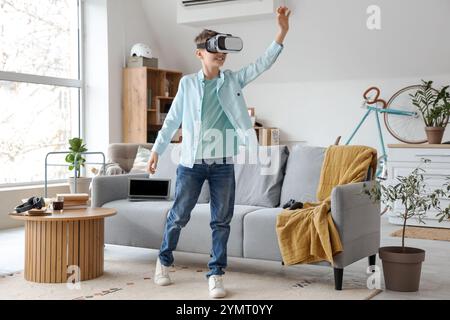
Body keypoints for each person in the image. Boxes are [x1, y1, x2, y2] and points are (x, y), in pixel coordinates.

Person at [147, 6, 291, 299]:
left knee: (221, 221)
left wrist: (282, 31)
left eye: (224, 52)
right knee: (179, 216)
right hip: (191, 164)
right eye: (215, 51)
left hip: (223, 163)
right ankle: (163, 262)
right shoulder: (187, 84)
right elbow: (172, 120)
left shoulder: (233, 81)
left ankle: (216, 274)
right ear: (200, 53)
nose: (221, 56)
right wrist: (156, 151)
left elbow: (262, 63)